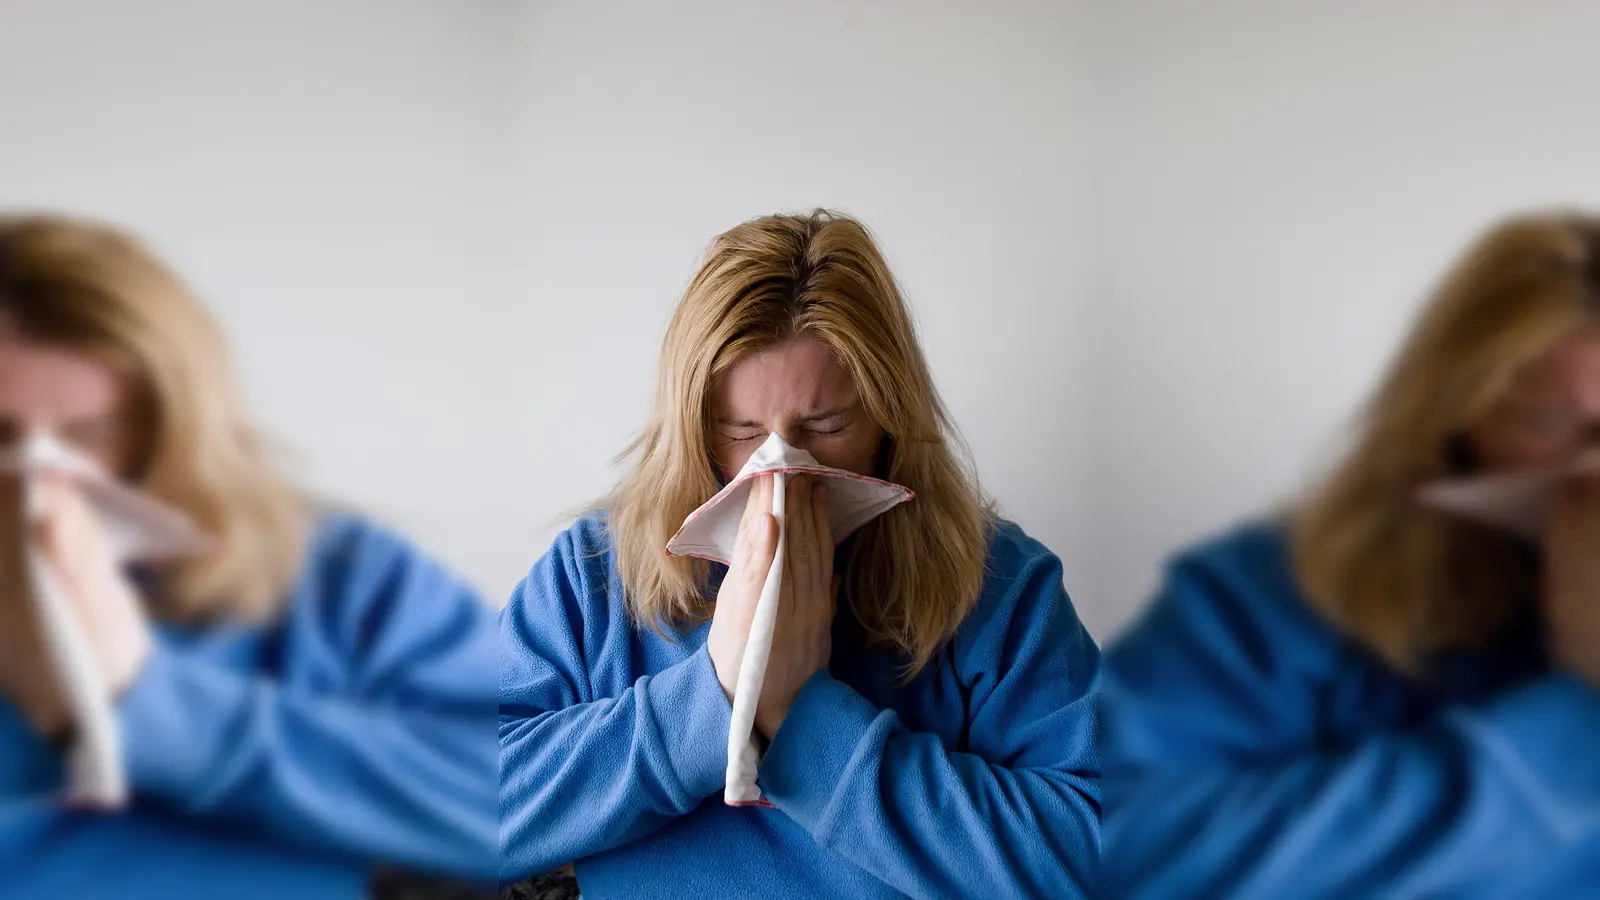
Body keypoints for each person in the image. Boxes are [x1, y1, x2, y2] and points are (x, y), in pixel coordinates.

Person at [499, 209, 1101, 898]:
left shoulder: (997, 584)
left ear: (888, 416)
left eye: (827, 426)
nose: (780, 465)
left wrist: (800, 722)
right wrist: (717, 697)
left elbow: (1092, 853)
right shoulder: (595, 575)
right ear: (692, 428)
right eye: (740, 430)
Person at [1102, 211, 1600, 898]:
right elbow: (1108, 850)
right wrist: (1578, 719)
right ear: (1454, 415)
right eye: (1549, 421)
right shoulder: (1277, 592)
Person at [0, 214, 499, 899]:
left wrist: (138, 702)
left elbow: (513, 796)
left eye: (90, 434)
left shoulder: (339, 576)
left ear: (173, 426)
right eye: (2, 437)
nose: (39, 481)